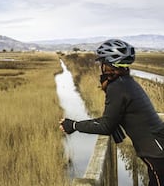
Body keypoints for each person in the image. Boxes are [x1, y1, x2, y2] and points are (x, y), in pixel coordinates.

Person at [59, 39, 164, 185]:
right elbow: (116, 116)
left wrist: (74, 125)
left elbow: (106, 125)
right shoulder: (126, 82)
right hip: (157, 148)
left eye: (102, 62)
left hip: (157, 154)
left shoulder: (118, 87)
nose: (101, 66)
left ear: (108, 65)